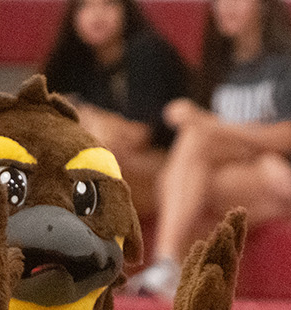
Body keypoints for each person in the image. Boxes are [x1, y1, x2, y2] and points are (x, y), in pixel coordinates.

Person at [131, 0, 291, 296]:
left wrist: (213, 126)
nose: (225, 7)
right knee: (192, 166)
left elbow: (288, 138)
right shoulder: (218, 65)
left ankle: (168, 268)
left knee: (187, 175)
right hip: (244, 174)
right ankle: (167, 266)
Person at [40, 0, 191, 210]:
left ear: (126, 10)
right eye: (86, 5)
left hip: (174, 166)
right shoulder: (73, 63)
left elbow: (137, 137)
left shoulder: (147, 51)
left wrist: (87, 117)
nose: (97, 14)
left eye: (108, 4)